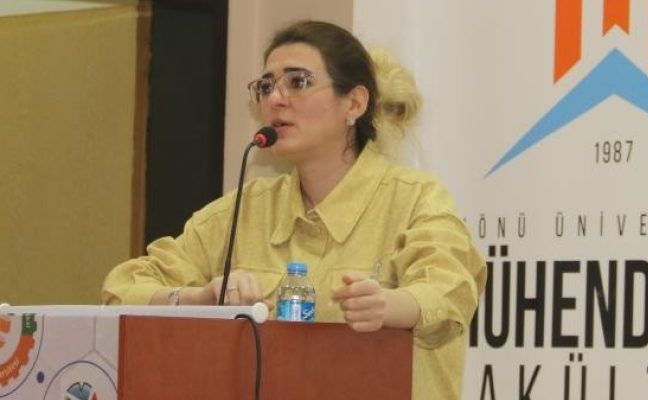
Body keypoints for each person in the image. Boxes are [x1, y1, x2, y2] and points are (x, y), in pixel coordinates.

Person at [102, 20, 486, 399]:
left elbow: (451, 293)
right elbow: (121, 291)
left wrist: (390, 306)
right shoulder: (243, 211)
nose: (275, 99)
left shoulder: (415, 199)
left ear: (354, 103)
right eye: (266, 86)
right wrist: (198, 300)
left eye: (298, 81)